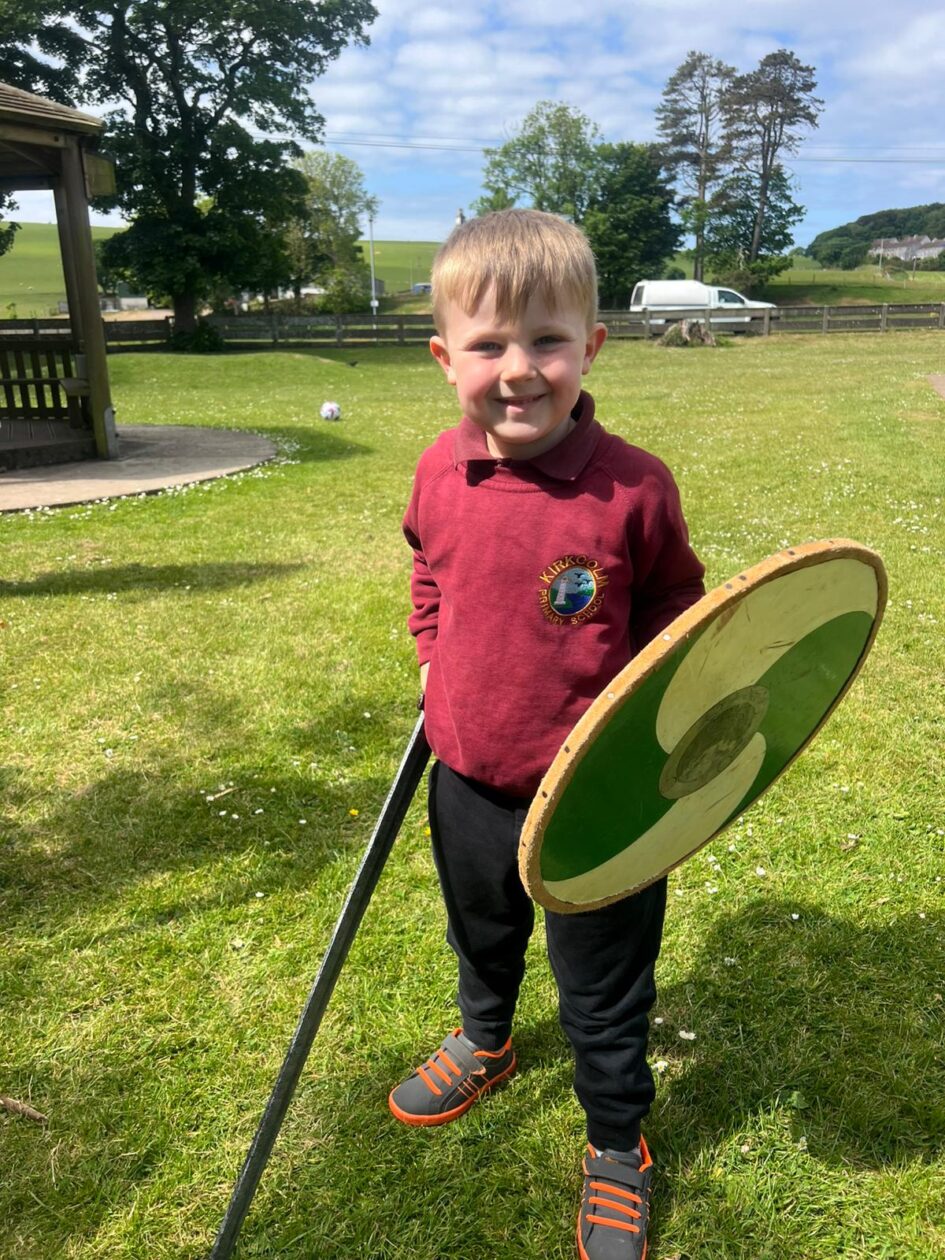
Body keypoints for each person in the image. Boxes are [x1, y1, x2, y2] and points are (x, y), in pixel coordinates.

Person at [390, 209, 705, 1260]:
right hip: (466, 780)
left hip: (594, 800)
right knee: (481, 934)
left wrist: (648, 725)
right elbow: (427, 569)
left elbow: (676, 607)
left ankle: (617, 1142)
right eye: (487, 345)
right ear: (445, 358)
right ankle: (486, 1039)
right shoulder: (438, 471)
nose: (519, 370)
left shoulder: (633, 486)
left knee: (602, 986)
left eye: (547, 341)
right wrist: (430, 654)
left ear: (592, 346)